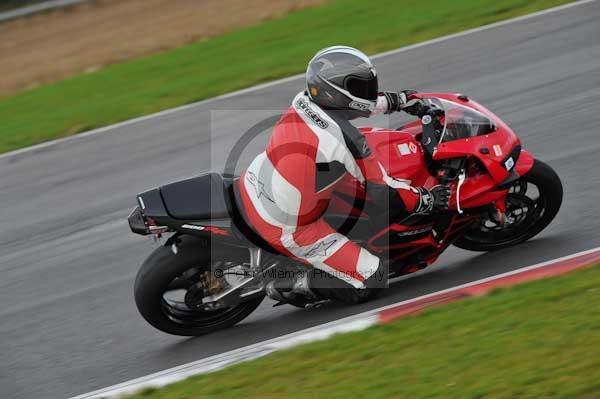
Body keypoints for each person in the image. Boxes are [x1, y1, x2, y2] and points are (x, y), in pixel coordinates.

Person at [237, 46, 450, 306]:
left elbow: (352, 106)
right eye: (361, 87)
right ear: (336, 90)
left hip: (259, 180)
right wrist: (426, 199)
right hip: (291, 227)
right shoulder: (346, 142)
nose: (368, 92)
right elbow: (383, 193)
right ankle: (289, 283)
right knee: (373, 277)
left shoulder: (304, 100)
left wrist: (399, 101)